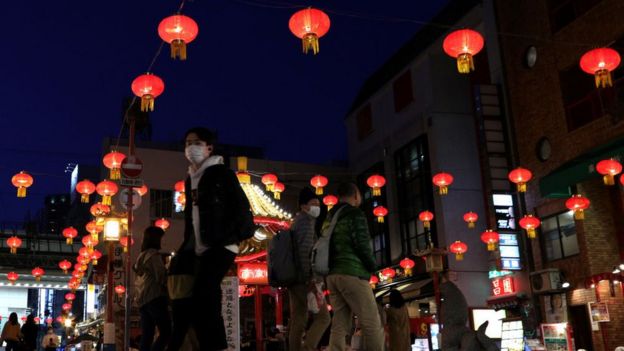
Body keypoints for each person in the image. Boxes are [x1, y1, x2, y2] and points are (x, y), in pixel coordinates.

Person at [175, 127, 254, 351]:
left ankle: (216, 346)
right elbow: (191, 217)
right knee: (201, 299)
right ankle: (211, 345)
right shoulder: (190, 178)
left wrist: (229, 235)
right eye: (188, 143)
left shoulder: (222, 174)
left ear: (209, 147)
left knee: (204, 293)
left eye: (197, 142)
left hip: (222, 245)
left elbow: (241, 209)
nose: (191, 147)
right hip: (200, 247)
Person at [324, 182, 384, 350]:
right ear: (356, 195)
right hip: (352, 273)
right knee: (371, 322)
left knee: (340, 322)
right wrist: (373, 267)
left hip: (332, 275)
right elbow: (362, 245)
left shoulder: (330, 216)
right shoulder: (355, 214)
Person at [288, 187, 331, 351]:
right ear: (303, 206)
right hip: (305, 278)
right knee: (323, 318)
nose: (317, 208)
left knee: (298, 319)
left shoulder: (297, 222)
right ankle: (308, 348)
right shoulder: (306, 222)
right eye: (313, 204)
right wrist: (310, 279)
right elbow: (305, 251)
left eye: (318, 204)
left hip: (294, 279)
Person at [133, 226, 171, 351]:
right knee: (166, 332)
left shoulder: (141, 256)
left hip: (143, 300)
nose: (162, 241)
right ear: (156, 239)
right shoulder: (153, 255)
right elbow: (161, 277)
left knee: (147, 336)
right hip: (154, 297)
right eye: (161, 238)